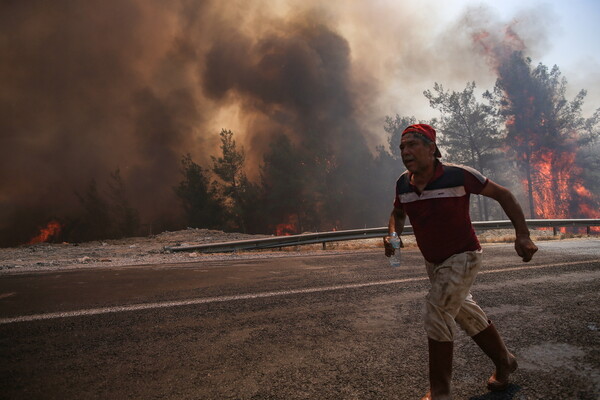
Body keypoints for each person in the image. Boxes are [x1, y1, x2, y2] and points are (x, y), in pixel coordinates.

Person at [383, 124, 538, 400]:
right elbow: (398, 212)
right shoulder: (402, 183)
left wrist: (523, 235)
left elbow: (504, 194)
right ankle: (505, 361)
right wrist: (392, 234)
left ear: (431, 148)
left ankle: (441, 391)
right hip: (434, 263)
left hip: (464, 256)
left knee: (437, 309)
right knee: (465, 313)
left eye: (412, 145)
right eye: (402, 148)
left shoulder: (459, 175)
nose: (405, 152)